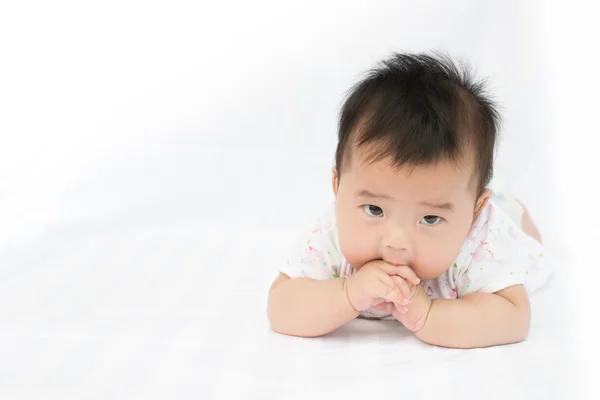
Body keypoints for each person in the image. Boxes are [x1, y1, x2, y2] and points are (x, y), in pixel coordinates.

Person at [267, 52, 553, 349]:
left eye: (430, 218)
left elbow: (514, 316)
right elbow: (280, 307)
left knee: (526, 235)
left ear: (473, 212)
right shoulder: (332, 234)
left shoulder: (478, 242)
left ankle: (512, 207)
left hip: (501, 220)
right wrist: (348, 294)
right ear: (338, 188)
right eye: (375, 209)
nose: (396, 242)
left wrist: (428, 315)